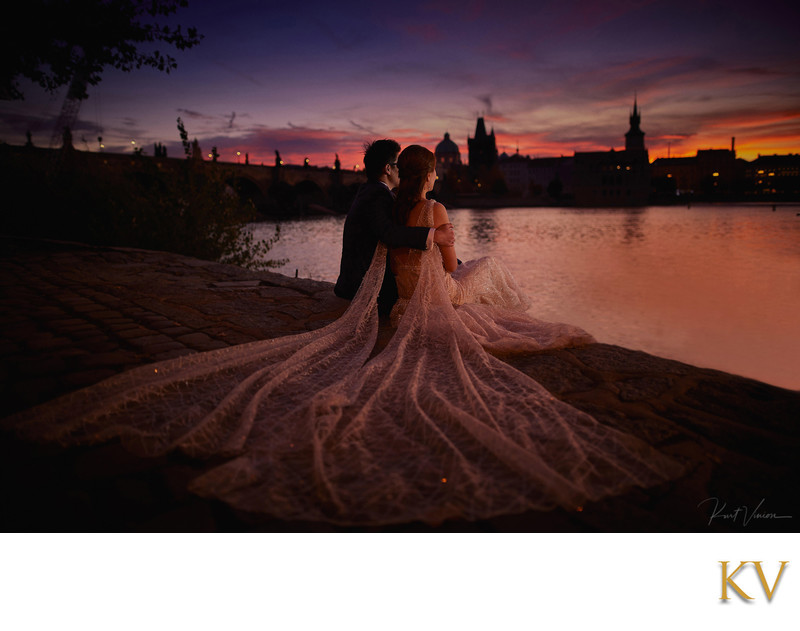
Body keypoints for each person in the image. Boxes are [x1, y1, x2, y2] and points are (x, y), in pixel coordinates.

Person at [2, 151, 685, 527]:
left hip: (403, 300)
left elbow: (393, 259)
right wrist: (447, 254)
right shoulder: (435, 210)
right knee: (490, 269)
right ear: (432, 177)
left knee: (476, 274)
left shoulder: (389, 206)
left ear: (399, 176)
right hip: (437, 295)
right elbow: (447, 269)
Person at [334, 139, 454, 315]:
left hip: (358, 280)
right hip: (363, 288)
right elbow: (389, 233)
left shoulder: (372, 191)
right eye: (398, 165)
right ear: (388, 169)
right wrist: (435, 235)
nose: (402, 170)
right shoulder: (376, 196)